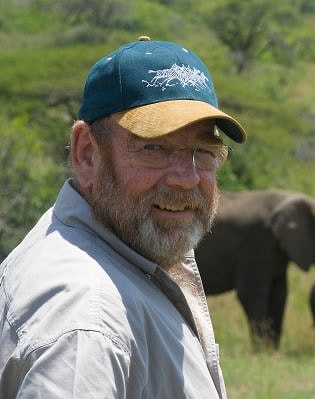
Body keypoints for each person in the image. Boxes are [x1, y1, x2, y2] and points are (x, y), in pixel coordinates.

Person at [0, 36, 247, 398]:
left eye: (204, 150)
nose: (187, 178)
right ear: (87, 153)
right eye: (153, 148)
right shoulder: (86, 323)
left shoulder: (115, 256)